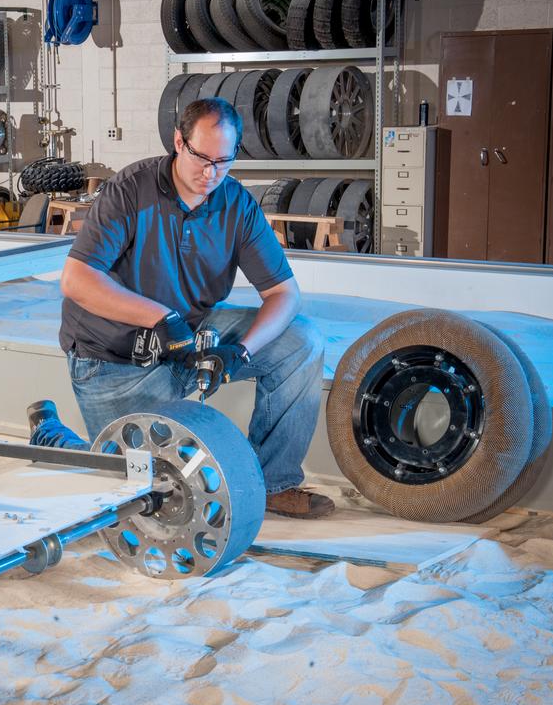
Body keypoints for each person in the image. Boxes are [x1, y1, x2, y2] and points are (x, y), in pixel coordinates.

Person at [29, 96, 334, 519]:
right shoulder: (130, 191)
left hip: (189, 341)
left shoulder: (235, 203)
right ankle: (50, 434)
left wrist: (241, 350)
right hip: (116, 359)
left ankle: (274, 482)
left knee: (302, 340)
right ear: (178, 142)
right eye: (202, 158)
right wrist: (161, 318)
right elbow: (76, 280)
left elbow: (285, 294)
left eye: (223, 162)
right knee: (145, 487)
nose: (211, 173)